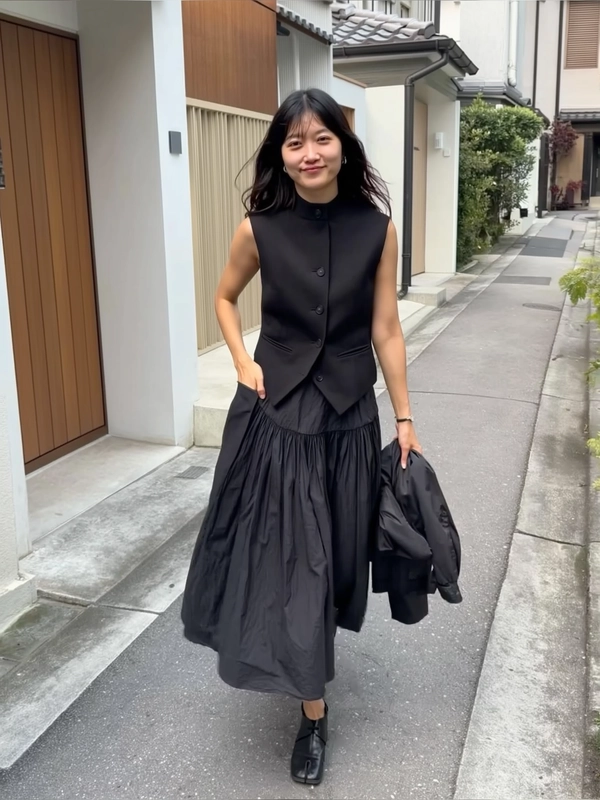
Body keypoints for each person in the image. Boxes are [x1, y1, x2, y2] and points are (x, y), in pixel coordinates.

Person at [181, 88, 421, 786]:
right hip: (277, 418)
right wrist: (242, 360)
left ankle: (309, 674)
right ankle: (313, 715)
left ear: (343, 148)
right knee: (299, 565)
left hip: (348, 420)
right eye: (294, 142)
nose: (309, 152)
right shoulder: (258, 227)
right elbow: (225, 298)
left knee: (337, 558)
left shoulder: (376, 228)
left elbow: (386, 328)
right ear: (280, 155)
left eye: (322, 138)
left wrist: (404, 418)